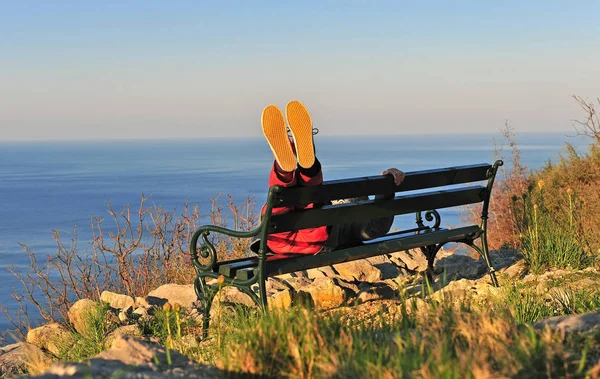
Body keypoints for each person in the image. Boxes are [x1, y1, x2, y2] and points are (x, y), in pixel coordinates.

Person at [260, 100, 405, 257]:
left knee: (289, 205)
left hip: (282, 240)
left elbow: (374, 229)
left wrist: (386, 185)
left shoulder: (347, 228)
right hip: (314, 237)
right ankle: (299, 167)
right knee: (307, 205)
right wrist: (387, 187)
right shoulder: (351, 228)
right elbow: (376, 228)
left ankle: (288, 169)